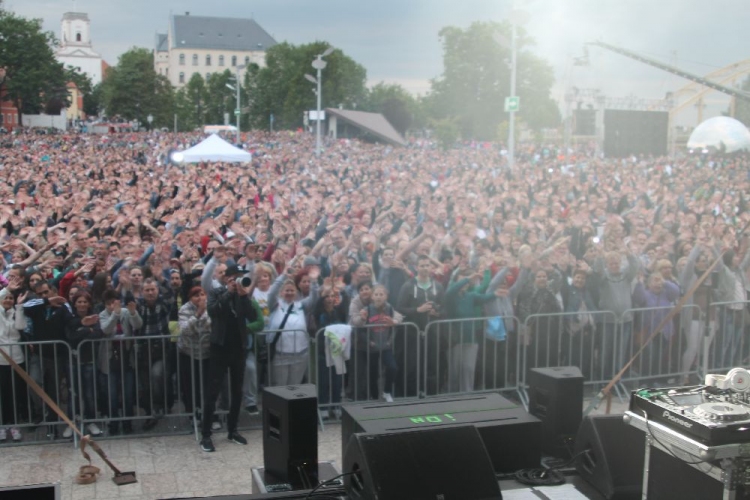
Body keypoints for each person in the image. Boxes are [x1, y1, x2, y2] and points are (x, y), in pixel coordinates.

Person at [200, 264, 258, 453]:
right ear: (227, 279)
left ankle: (233, 429)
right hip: (219, 348)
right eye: (234, 278)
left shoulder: (243, 295)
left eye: (240, 277)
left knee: (237, 392)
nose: (238, 281)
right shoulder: (216, 292)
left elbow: (251, 315)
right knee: (213, 392)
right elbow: (213, 311)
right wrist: (228, 293)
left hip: (238, 348)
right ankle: (206, 434)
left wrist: (242, 295)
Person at [396, 255, 445, 397]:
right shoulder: (408, 286)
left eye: (427, 265)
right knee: (413, 365)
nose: (425, 268)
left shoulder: (438, 286)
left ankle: (430, 393)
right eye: (422, 265)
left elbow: (445, 308)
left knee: (431, 364)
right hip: (413, 332)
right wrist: (418, 310)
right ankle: (412, 395)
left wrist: (437, 312)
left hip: (432, 331)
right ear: (417, 267)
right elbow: (399, 308)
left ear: (431, 268)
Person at [98, 289, 141, 435]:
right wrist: (114, 315)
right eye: (109, 303)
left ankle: (128, 423)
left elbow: (138, 325)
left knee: (128, 393)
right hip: (110, 360)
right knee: (112, 394)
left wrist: (134, 313)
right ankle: (114, 423)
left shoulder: (126, 312)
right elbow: (106, 329)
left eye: (114, 302)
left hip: (126, 358)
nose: (112, 306)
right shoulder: (102, 315)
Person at [65, 291, 104, 436]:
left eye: (85, 302)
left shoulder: (95, 316)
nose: (82, 305)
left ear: (89, 304)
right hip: (72, 361)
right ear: (74, 304)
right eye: (79, 302)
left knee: (89, 393)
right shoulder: (70, 318)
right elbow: (71, 337)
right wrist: (88, 329)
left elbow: (98, 334)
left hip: (89, 360)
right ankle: (71, 422)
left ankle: (91, 421)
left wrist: (85, 330)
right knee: (73, 393)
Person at [355, 285, 399, 401]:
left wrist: (390, 340)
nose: (379, 297)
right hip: (372, 347)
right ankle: (374, 396)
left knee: (392, 367)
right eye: (376, 294)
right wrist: (369, 342)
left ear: (386, 297)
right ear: (372, 297)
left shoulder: (389, 308)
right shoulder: (367, 310)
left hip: (385, 346)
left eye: (381, 294)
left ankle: (387, 391)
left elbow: (395, 327)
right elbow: (361, 330)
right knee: (373, 373)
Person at [0, 287, 28, 441]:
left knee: (15, 393)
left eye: (11, 298)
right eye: (6, 298)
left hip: (16, 358)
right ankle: (3, 425)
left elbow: (20, 327)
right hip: (1, 360)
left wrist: (19, 307)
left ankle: (15, 425)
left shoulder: (15, 311)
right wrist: (7, 288)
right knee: (3, 395)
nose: (8, 301)